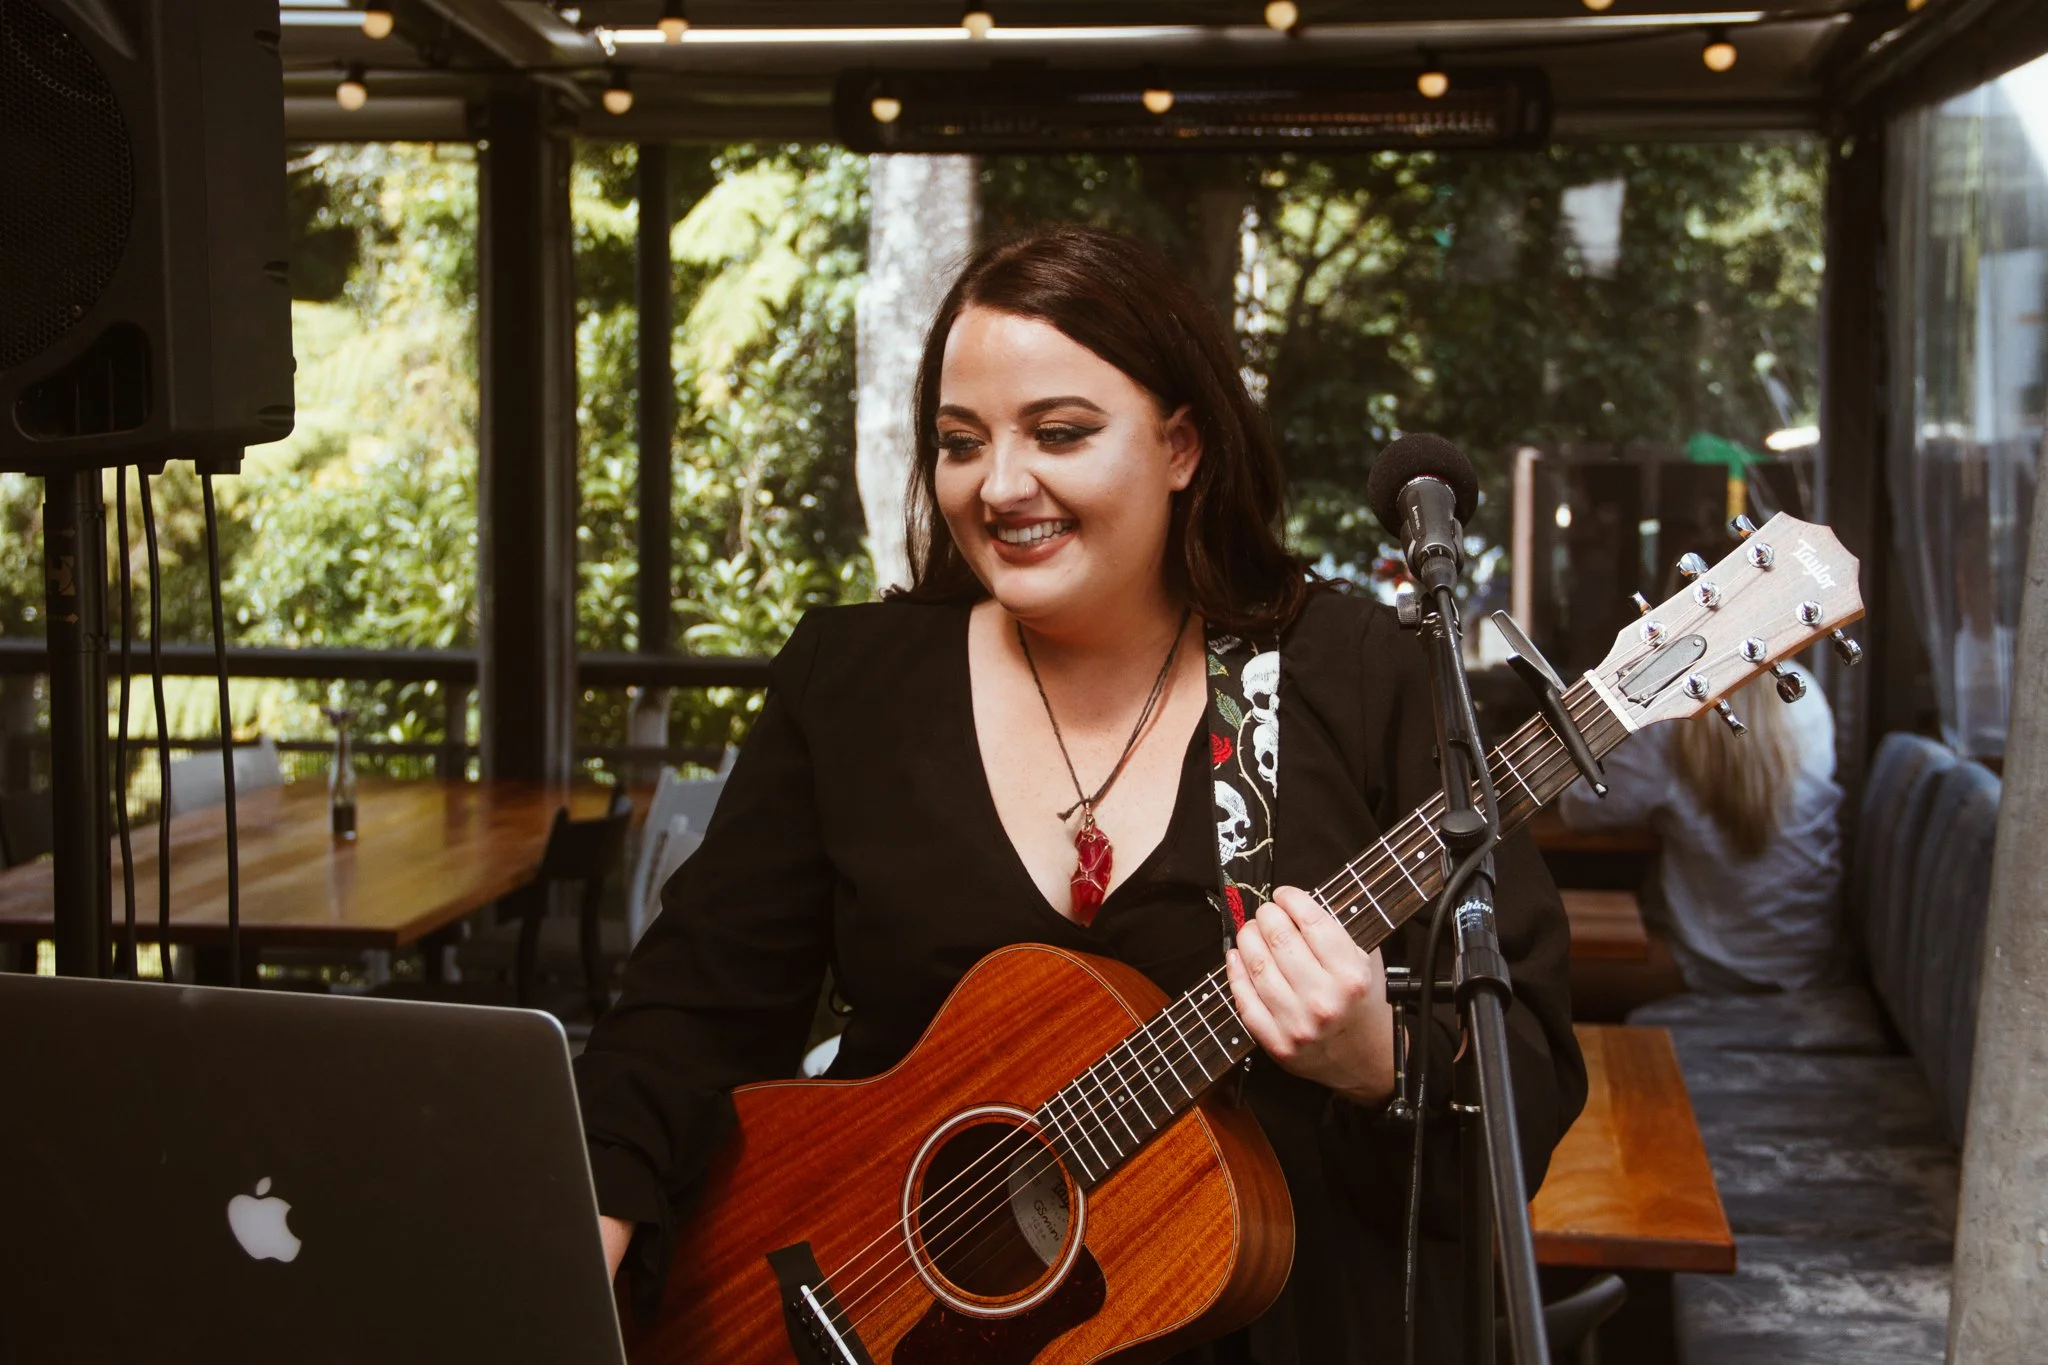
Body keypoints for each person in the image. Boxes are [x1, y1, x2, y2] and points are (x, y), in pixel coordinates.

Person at [573, 225, 1585, 1362]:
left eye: (1058, 433)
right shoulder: (854, 682)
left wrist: (1378, 1060)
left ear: (1180, 446)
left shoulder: (1359, 674)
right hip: (879, 1307)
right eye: (960, 443)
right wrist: (589, 1225)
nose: (1000, 486)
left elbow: (1527, 1077)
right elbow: (694, 1007)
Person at [1559, 652, 1845, 993]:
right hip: (1806, 953)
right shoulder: (1804, 689)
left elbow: (1580, 808)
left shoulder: (1669, 712)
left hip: (1718, 962)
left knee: (1535, 975)